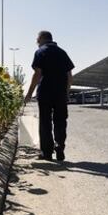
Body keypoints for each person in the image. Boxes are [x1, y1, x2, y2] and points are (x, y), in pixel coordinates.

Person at [24, 31, 74, 161]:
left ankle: (46, 153)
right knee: (60, 120)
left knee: (45, 122)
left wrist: (29, 93)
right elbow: (69, 76)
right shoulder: (62, 52)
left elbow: (37, 74)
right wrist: (66, 93)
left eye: (37, 39)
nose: (36, 42)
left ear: (42, 39)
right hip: (60, 93)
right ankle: (59, 146)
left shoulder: (40, 52)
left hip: (45, 92)